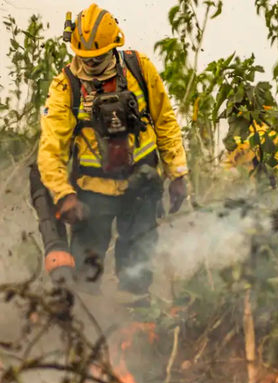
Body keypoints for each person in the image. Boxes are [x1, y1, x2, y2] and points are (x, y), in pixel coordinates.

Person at [36, 3, 189, 303]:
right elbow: (50, 149)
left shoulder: (139, 69)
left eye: (98, 57)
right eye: (86, 58)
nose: (91, 65)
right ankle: (89, 329)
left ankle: (139, 328)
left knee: (137, 269)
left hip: (142, 186)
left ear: (115, 46)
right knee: (85, 274)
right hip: (94, 193)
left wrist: (178, 173)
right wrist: (64, 194)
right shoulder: (66, 86)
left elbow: (166, 122)